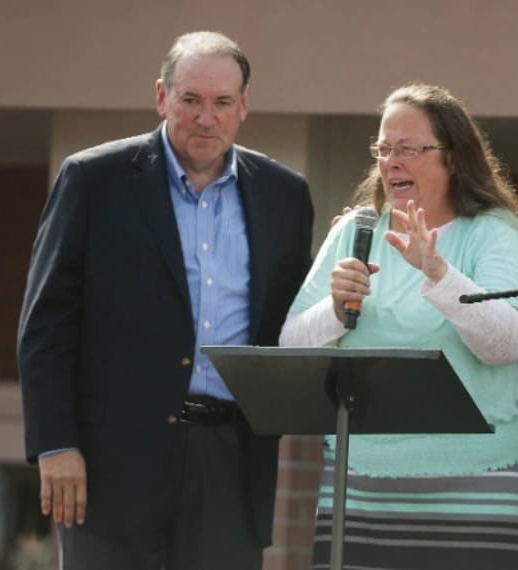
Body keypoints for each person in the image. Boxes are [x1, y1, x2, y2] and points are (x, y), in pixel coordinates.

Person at [17, 31, 313, 570]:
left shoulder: (284, 195)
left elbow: (291, 322)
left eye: (223, 102)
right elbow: (46, 325)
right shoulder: (93, 179)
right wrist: (55, 443)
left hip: (230, 459)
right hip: (110, 464)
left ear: (243, 106)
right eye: (191, 100)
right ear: (162, 97)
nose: (207, 117)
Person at [279, 83, 518, 569]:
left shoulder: (493, 232)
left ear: (453, 157)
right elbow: (291, 344)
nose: (391, 162)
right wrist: (335, 305)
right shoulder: (356, 230)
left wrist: (439, 273)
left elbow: (509, 343)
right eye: (384, 149)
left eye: (408, 149)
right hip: (360, 485)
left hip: (474, 487)